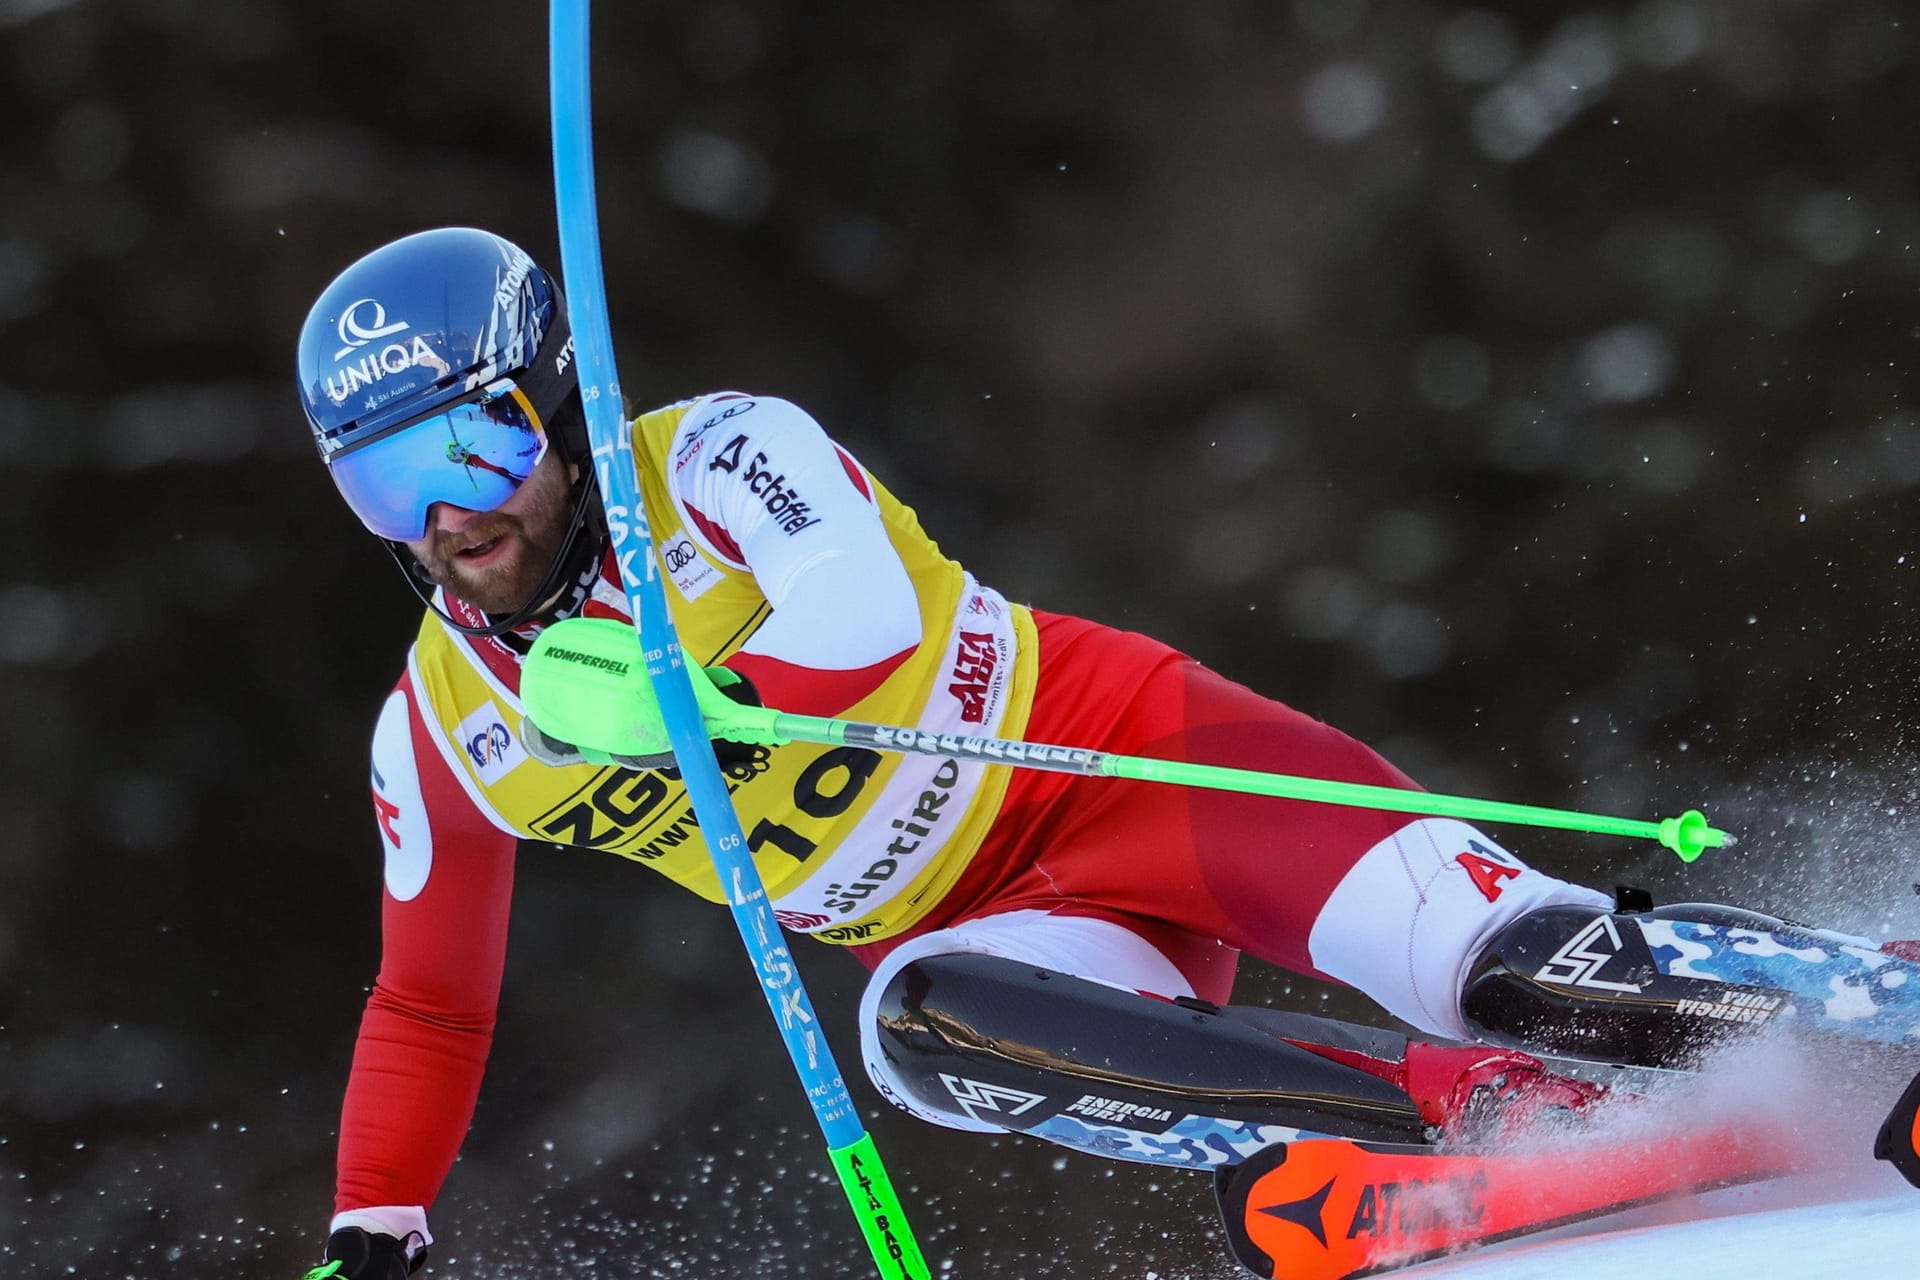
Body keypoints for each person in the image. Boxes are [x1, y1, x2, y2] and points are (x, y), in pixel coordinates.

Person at [291, 228, 1920, 1280]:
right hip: (1002, 936)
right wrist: (377, 1218)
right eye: (388, 485)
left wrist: (677, 690)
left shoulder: (720, 459)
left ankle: (1878, 1004)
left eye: (479, 439)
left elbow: (863, 630)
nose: (453, 517)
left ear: (558, 401)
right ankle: (1463, 1121)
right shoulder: (443, 730)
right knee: (914, 1027)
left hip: (1145, 767)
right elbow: (429, 996)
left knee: (1523, 965)